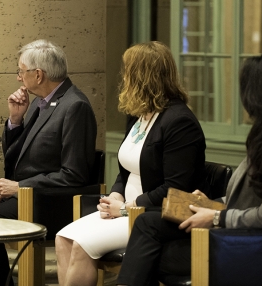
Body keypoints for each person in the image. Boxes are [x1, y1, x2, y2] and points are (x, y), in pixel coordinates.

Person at [116, 51, 262, 286]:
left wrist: (216, 215)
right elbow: (253, 194)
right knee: (147, 224)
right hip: (236, 229)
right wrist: (211, 202)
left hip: (255, 244)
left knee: (151, 253)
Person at [55, 41, 208, 286]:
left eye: (127, 71)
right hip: (123, 210)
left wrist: (128, 207)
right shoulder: (140, 114)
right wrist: (115, 194)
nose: (123, 77)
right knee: (63, 238)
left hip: (150, 215)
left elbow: (175, 188)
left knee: (82, 246)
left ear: (142, 77)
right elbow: (126, 169)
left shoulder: (180, 122)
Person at [0, 39, 98, 286]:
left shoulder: (75, 106)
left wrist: (21, 187)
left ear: (38, 75)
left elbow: (75, 174)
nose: (19, 78)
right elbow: (15, 160)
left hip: (47, 201)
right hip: (24, 194)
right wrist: (16, 121)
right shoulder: (45, 102)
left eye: (21, 71)